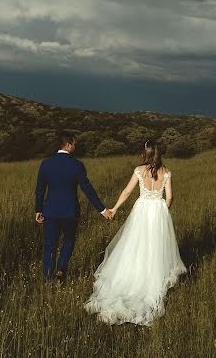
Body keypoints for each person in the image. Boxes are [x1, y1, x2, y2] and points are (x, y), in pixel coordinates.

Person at [84, 139, 187, 326]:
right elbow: (170, 197)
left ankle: (131, 278)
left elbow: (126, 191)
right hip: (158, 211)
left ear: (145, 153)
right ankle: (151, 279)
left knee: (135, 245)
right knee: (155, 247)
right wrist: (163, 210)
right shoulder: (167, 172)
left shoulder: (139, 171)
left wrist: (114, 209)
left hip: (141, 211)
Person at [35, 131, 113, 282]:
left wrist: (38, 209)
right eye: (74, 144)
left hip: (50, 210)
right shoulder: (77, 165)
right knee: (69, 240)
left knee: (50, 245)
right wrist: (102, 210)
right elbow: (87, 189)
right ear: (69, 145)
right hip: (70, 212)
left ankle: (48, 277)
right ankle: (61, 270)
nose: (75, 147)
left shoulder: (46, 164)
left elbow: (39, 190)